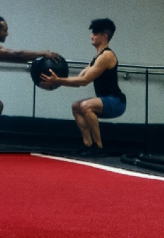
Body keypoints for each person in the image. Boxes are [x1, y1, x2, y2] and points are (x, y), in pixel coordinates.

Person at [0, 14, 65, 155]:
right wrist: (44, 53)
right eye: (4, 30)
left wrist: (35, 61)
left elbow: (15, 58)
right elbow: (16, 54)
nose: (7, 33)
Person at [38, 18, 123, 156]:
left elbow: (83, 81)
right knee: (76, 106)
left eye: (95, 33)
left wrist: (57, 80)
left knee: (85, 106)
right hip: (106, 100)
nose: (92, 36)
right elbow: (80, 77)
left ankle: (99, 146)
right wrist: (58, 79)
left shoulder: (107, 56)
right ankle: (88, 144)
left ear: (104, 36)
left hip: (116, 101)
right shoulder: (97, 57)